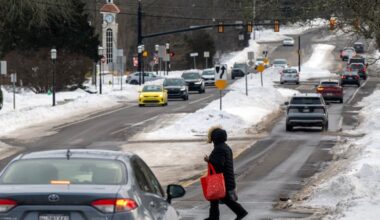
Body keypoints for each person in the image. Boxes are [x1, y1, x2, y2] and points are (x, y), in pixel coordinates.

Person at [204, 127, 248, 220]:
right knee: (214, 198)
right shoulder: (225, 147)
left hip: (223, 179)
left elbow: (219, 164)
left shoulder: (219, 149)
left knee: (225, 199)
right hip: (226, 178)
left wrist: (209, 160)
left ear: (215, 138)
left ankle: (241, 212)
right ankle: (213, 217)